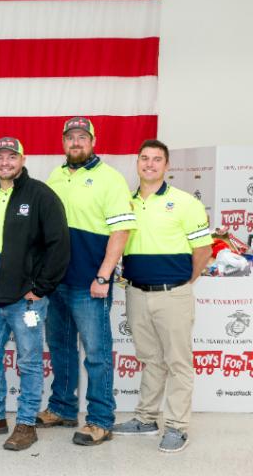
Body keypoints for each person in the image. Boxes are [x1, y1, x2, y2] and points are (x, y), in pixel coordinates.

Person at [0, 137, 70, 452]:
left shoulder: (41, 195)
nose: (5, 163)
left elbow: (59, 245)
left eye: (11, 157)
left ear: (22, 159)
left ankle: (25, 423)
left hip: (25, 299)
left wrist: (41, 288)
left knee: (31, 361)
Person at [112, 139, 213, 453]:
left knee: (178, 362)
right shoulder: (123, 202)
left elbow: (203, 250)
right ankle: (145, 419)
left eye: (157, 159)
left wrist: (183, 283)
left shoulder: (185, 203)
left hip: (173, 295)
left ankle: (177, 427)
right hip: (136, 294)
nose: (150, 164)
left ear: (166, 166)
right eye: (145, 158)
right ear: (137, 163)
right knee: (150, 360)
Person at [42, 117, 137, 446]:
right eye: (70, 138)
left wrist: (103, 275)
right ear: (63, 142)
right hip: (57, 282)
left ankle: (100, 420)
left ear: (93, 141)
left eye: (82, 137)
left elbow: (121, 230)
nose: (76, 143)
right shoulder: (56, 176)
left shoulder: (110, 178)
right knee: (61, 348)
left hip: (90, 282)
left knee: (96, 354)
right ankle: (63, 408)